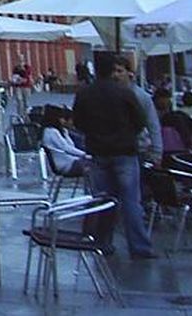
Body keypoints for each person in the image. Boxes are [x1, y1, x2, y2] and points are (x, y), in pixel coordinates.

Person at [72, 52, 156, 259]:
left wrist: (94, 134)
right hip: (125, 152)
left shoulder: (85, 93)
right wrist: (127, 135)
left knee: (103, 200)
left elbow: (78, 122)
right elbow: (140, 121)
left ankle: (103, 242)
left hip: (98, 152)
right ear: (112, 70)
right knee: (131, 201)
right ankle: (139, 247)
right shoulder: (125, 93)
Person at [120, 61, 163, 165]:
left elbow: (152, 124)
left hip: (139, 149)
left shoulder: (141, 96)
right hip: (119, 149)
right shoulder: (112, 94)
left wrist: (157, 151)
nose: (116, 75)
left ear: (129, 74)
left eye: (120, 71)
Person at [42, 106, 90, 176]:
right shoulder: (50, 132)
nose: (63, 120)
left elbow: (71, 145)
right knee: (95, 165)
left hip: (72, 160)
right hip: (65, 164)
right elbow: (66, 148)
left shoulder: (63, 131)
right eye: (61, 118)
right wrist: (85, 155)